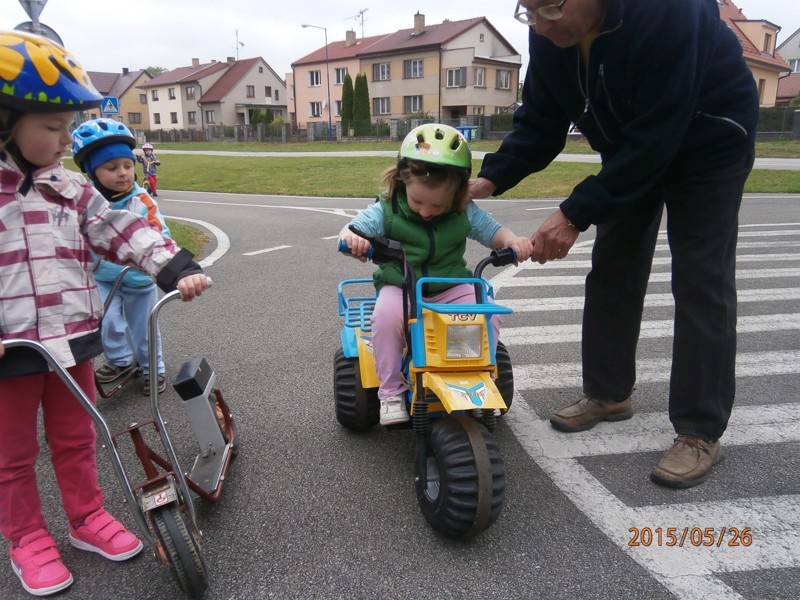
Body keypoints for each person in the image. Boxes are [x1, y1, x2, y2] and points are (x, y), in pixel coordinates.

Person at [471, 0, 759, 489]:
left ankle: (699, 430)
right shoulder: (548, 29)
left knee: (701, 279)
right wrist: (490, 178)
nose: (538, 24)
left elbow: (661, 131)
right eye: (528, 11)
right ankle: (609, 393)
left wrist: (574, 212)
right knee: (613, 268)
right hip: (632, 148)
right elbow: (541, 119)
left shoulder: (672, 10)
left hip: (708, 141)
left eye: (550, 8)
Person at [0, 31, 209, 596]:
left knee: (77, 437)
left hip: (73, 342)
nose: (65, 139)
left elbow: (123, 229)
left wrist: (174, 266)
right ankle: (27, 537)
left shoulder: (71, 190)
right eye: (52, 127)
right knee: (12, 454)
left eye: (69, 126)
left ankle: (86, 516)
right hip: (11, 351)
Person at [339, 124, 533, 426]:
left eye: (437, 205)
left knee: (489, 313)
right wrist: (352, 238)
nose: (426, 211)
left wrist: (512, 241)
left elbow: (493, 232)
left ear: (457, 193)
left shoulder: (463, 209)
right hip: (402, 285)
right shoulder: (387, 208)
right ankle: (391, 391)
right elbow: (354, 227)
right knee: (386, 317)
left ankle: (482, 379)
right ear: (402, 180)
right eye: (417, 202)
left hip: (451, 286)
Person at [72, 119, 169, 397]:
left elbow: (160, 234)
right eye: (112, 168)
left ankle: (153, 368)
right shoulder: (87, 202)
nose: (123, 173)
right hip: (102, 276)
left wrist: (159, 264)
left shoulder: (142, 201)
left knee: (145, 329)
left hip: (137, 278)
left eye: (127, 165)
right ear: (91, 171)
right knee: (103, 321)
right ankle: (122, 360)